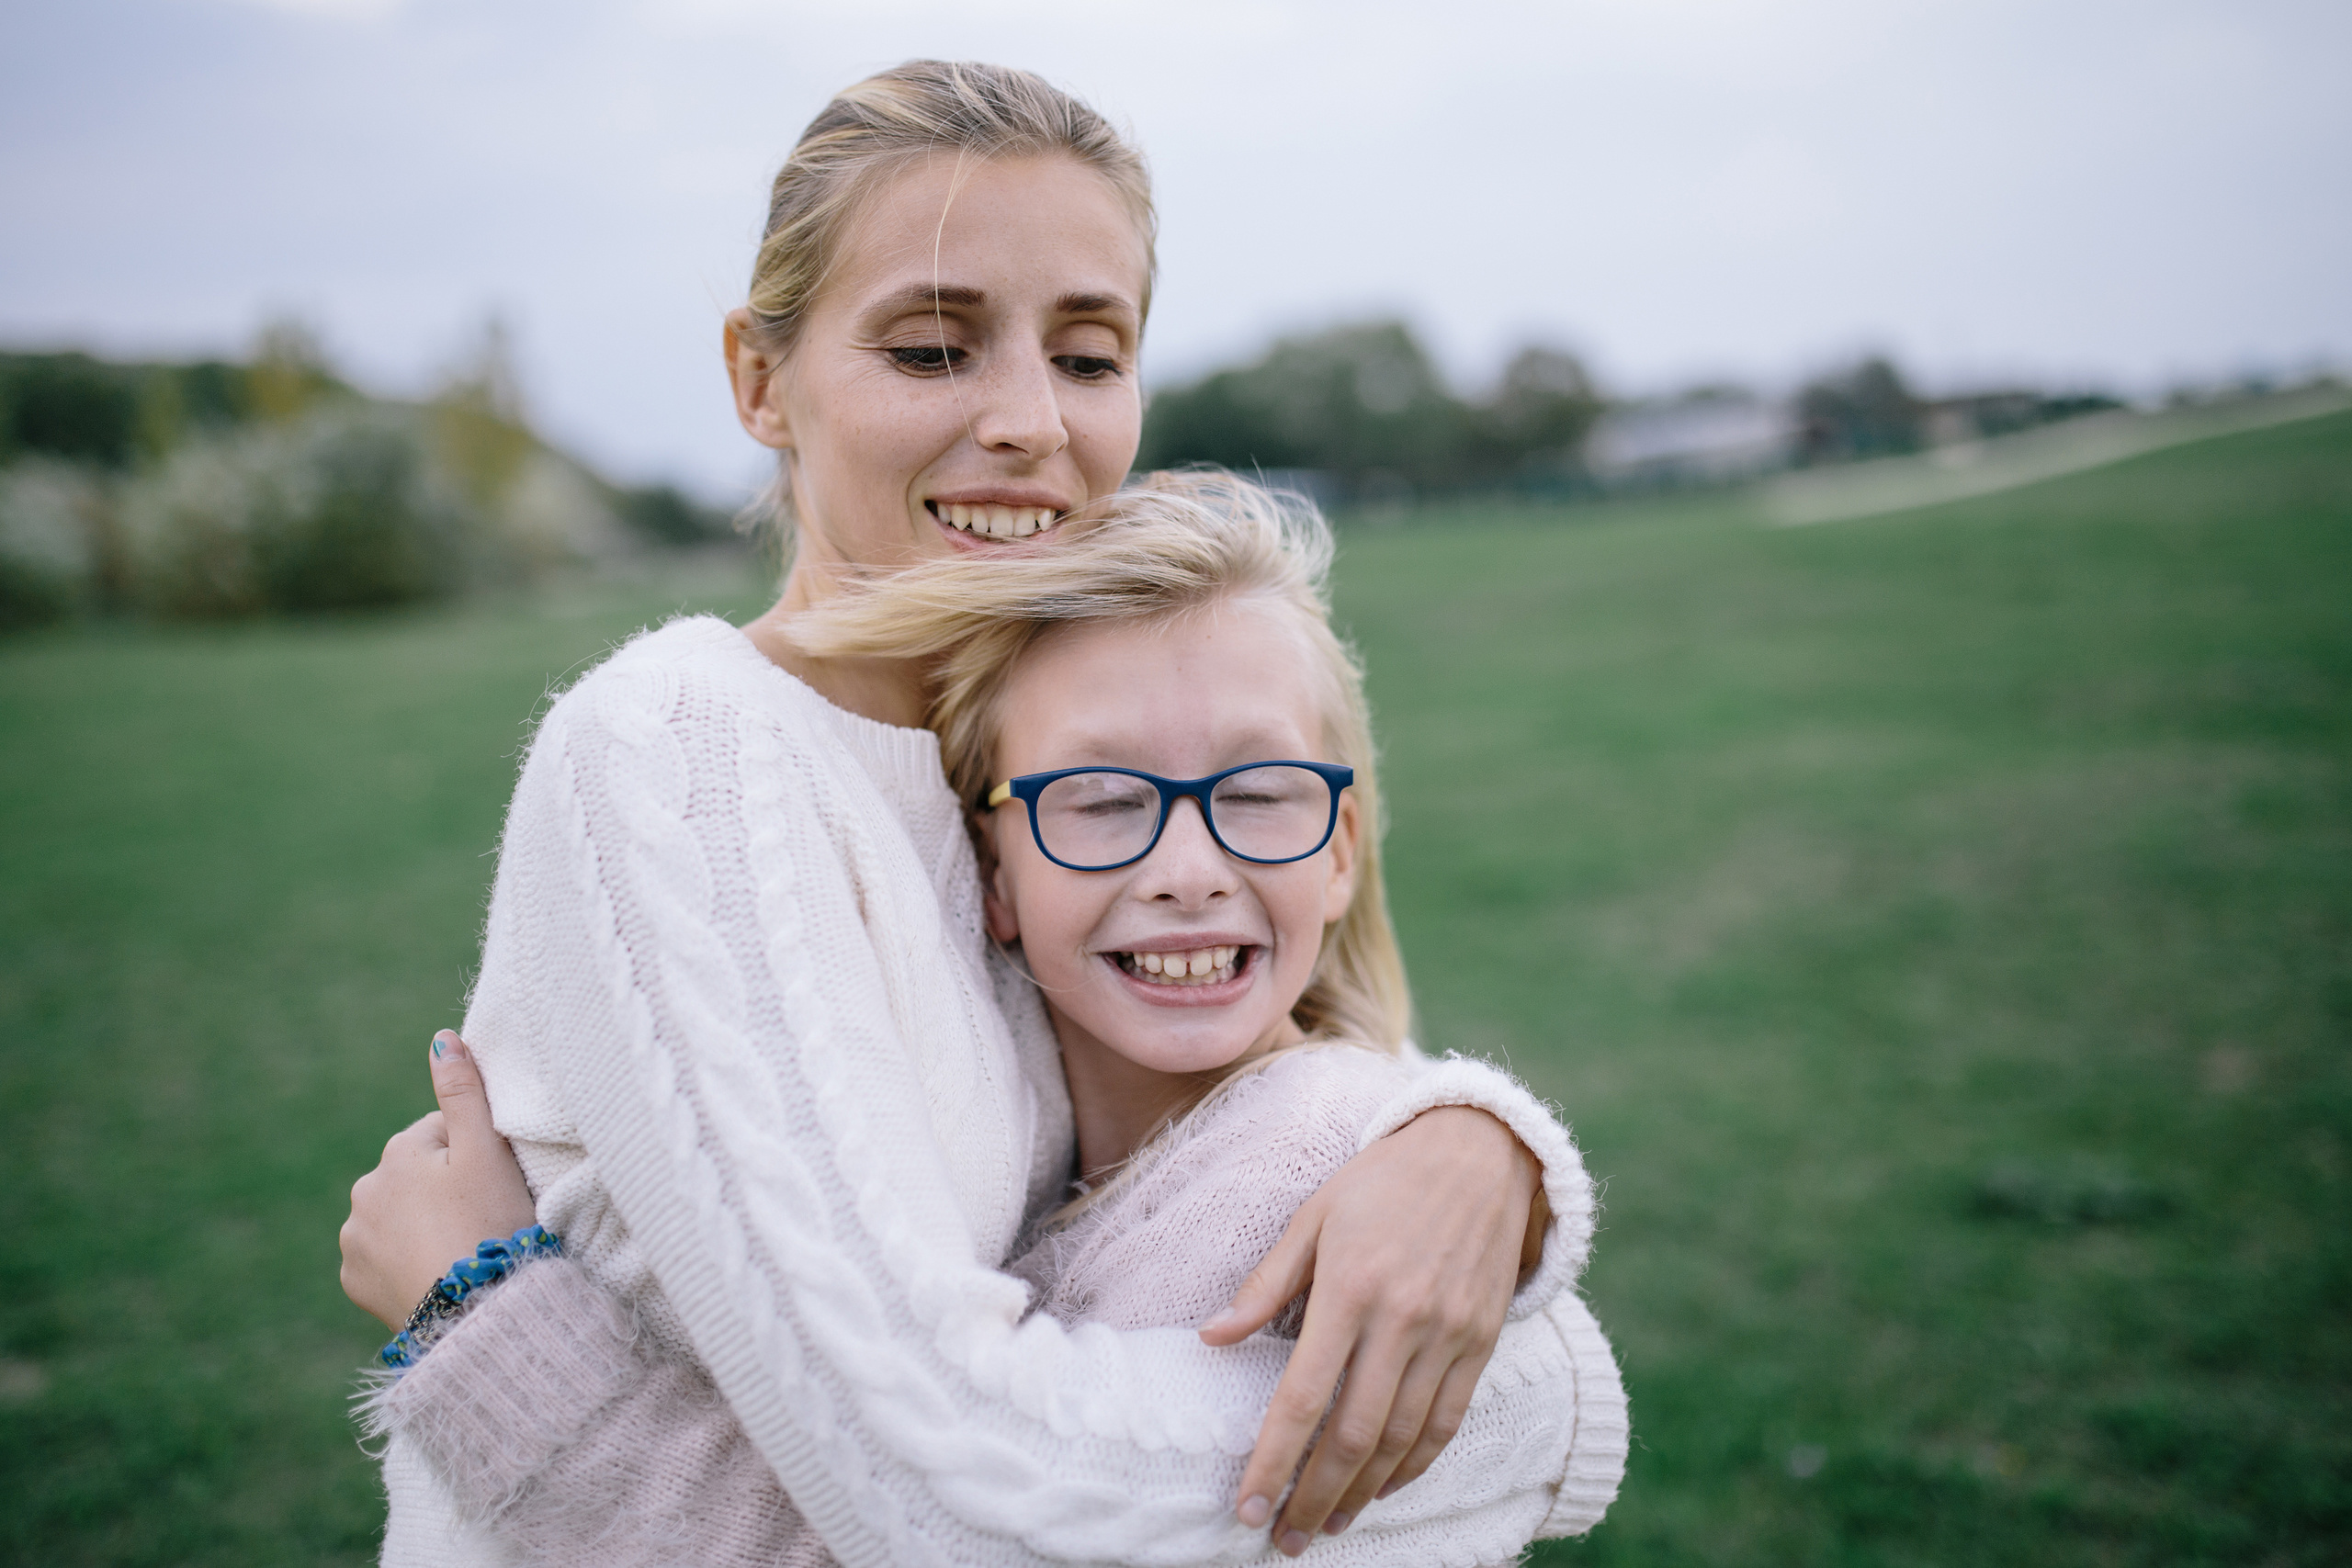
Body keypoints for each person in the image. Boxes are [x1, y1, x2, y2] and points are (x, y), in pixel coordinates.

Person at [338, 61, 1611, 1565]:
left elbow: (1237, 1138)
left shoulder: (1012, 749)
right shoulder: (685, 745)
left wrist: (1481, 1151)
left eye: (1088, 356)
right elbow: (954, 1504)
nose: (1028, 422)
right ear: (760, 381)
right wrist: (1536, 1403)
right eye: (935, 349)